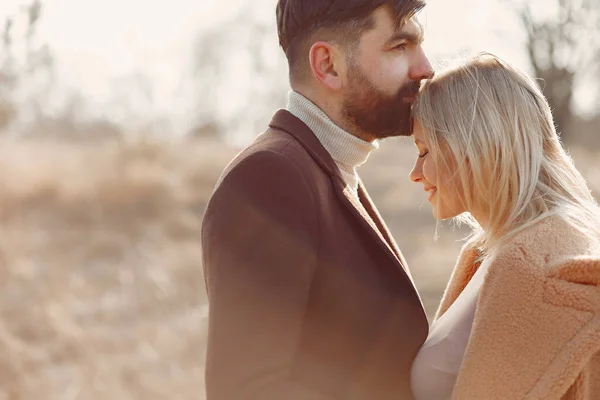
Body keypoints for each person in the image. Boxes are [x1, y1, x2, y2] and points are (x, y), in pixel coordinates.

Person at [201, 0, 434, 399]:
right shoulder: (269, 179)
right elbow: (248, 389)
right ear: (327, 65)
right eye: (399, 47)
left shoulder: (329, 170)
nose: (425, 67)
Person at [409, 53, 600, 400]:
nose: (415, 172)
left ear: (473, 144)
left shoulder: (534, 265)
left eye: (424, 150)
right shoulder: (494, 253)